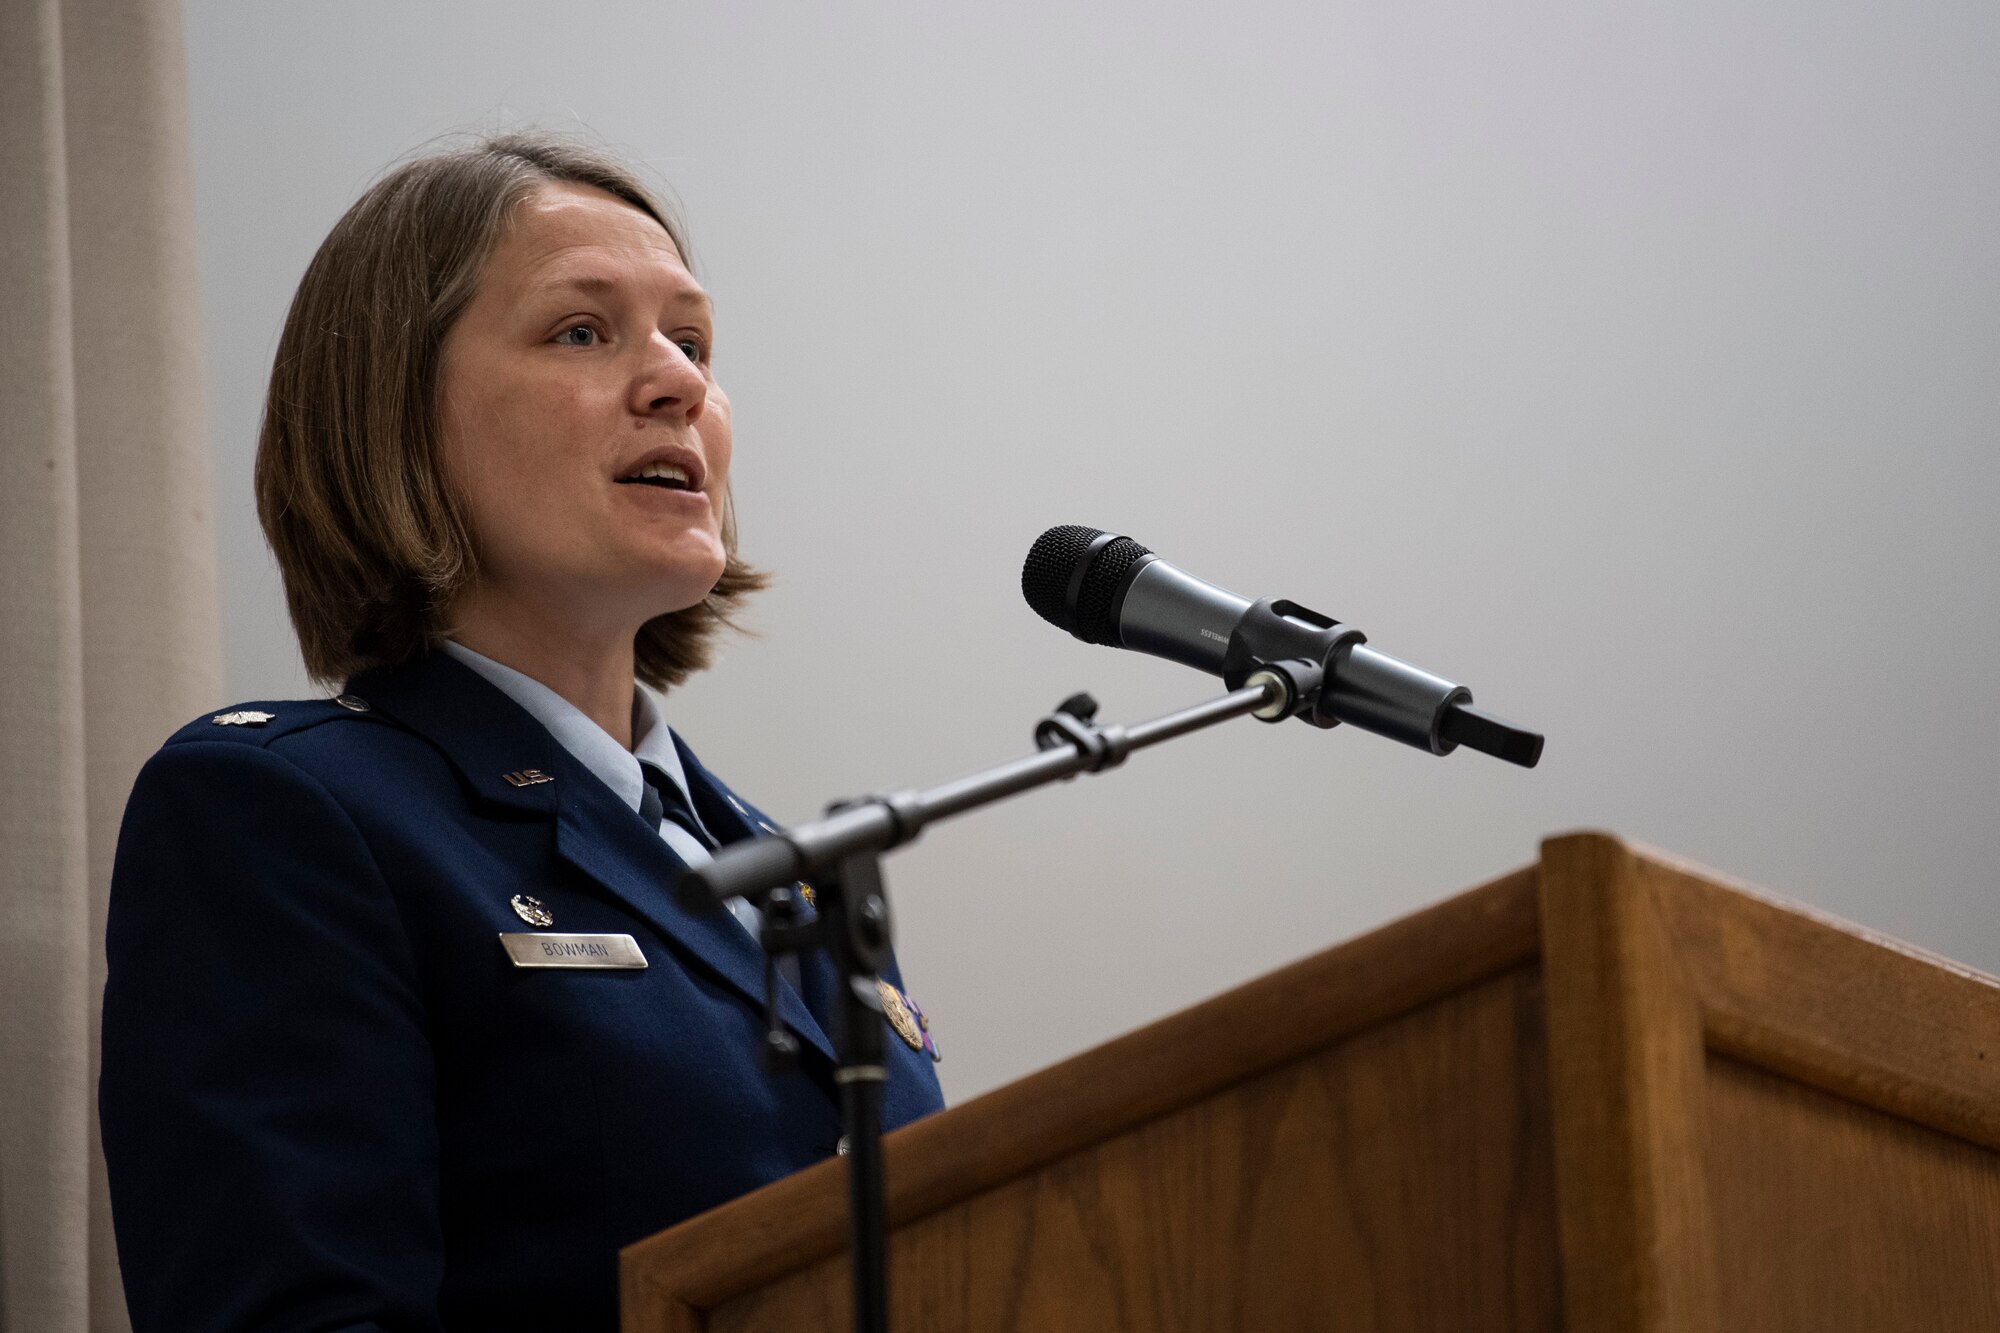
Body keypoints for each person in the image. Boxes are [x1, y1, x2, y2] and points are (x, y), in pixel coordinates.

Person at [98, 132, 945, 1333]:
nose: (676, 383)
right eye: (582, 332)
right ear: (392, 411)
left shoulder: (795, 873)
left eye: (691, 341)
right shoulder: (284, 812)